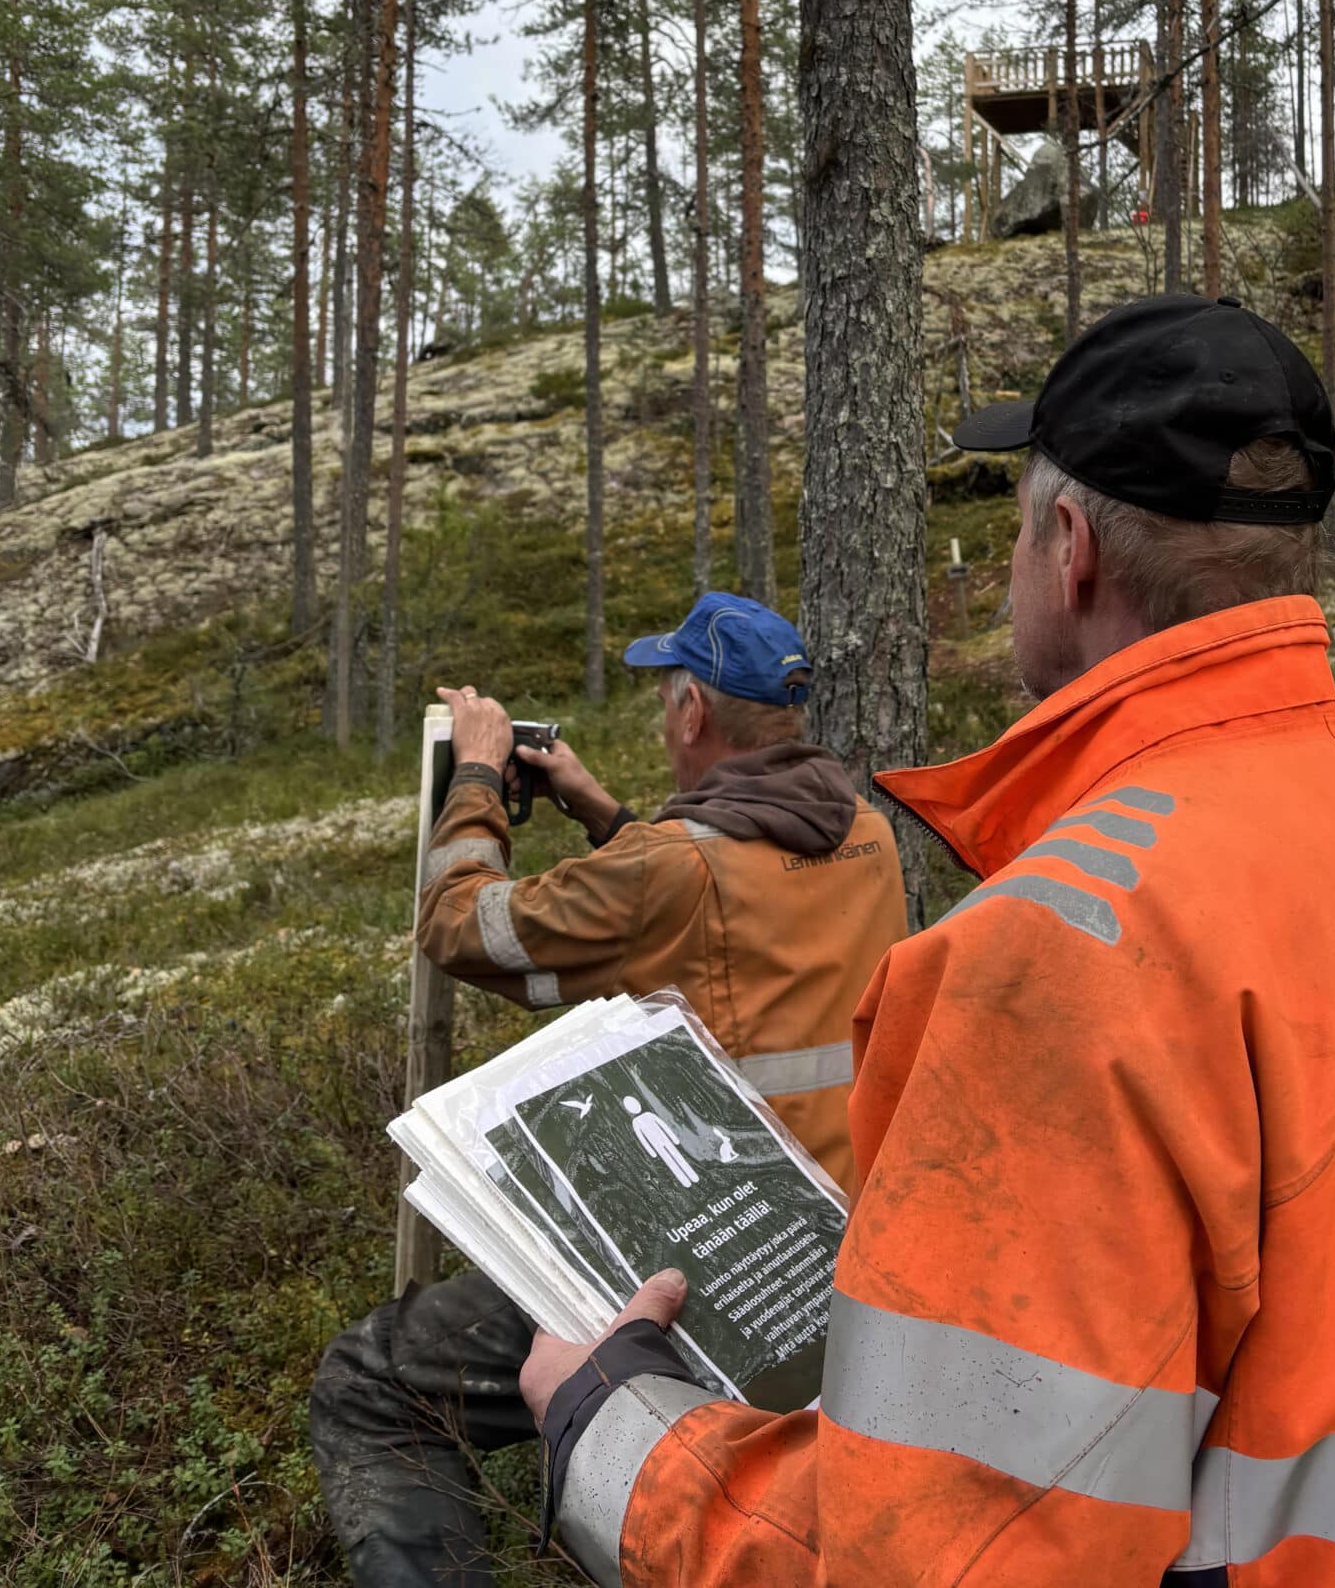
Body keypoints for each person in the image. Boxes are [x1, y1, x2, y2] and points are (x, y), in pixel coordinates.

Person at [521, 294, 1335, 1588]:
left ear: (1070, 551)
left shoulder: (1049, 963)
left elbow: (928, 1560)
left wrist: (619, 1438)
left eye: (1012, 523)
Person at [311, 591, 907, 1588]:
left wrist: (473, 781)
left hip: (701, 1274)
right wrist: (603, 814)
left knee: (372, 1383)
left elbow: (466, 929)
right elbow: (719, 919)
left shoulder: (671, 871)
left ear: (690, 715)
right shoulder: (864, 837)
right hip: (834, 1251)